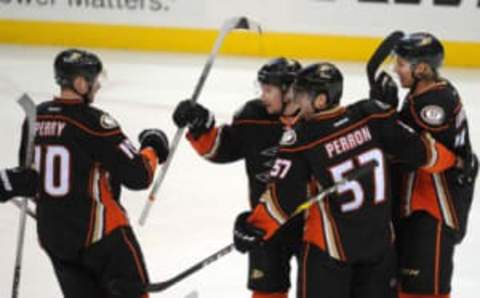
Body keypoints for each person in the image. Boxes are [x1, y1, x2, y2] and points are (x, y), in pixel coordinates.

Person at [233, 62, 458, 298]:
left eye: (301, 95)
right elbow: (422, 152)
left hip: (330, 252)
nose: (297, 102)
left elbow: (283, 198)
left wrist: (253, 227)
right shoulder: (371, 115)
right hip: (379, 248)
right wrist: (454, 161)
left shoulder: (302, 138)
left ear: (320, 100)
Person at [18, 49, 170, 298]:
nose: (97, 86)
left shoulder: (35, 118)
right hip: (103, 239)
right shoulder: (95, 123)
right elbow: (138, 175)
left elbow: (30, 178)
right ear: (80, 83)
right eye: (94, 80)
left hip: (55, 238)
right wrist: (153, 147)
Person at [172, 57, 302, 298]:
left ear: (289, 91)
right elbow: (222, 149)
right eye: (261, 89)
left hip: (310, 225)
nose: (262, 96)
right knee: (267, 293)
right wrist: (201, 125)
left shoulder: (312, 120)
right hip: (265, 224)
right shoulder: (252, 115)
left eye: (269, 90)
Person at [372, 32, 478, 298]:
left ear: (421, 69)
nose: (396, 69)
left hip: (433, 209)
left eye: (401, 63)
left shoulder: (434, 103)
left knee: (423, 292)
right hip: (419, 206)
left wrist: (385, 116)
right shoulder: (425, 94)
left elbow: (420, 153)